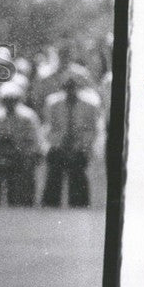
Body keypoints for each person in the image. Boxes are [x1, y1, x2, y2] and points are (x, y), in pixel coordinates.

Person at [41, 64, 101, 208]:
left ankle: (79, 207)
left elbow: (93, 129)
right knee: (53, 177)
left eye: (73, 85)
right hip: (58, 146)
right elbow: (49, 127)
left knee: (78, 179)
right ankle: (50, 206)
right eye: (67, 85)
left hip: (80, 147)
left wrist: (78, 145)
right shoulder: (53, 102)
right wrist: (61, 143)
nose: (70, 88)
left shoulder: (90, 104)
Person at [0, 81, 44, 206]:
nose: (9, 103)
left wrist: (20, 152)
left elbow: (35, 141)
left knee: (27, 167)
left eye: (13, 99)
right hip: (0, 157)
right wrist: (0, 155)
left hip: (22, 156)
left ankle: (24, 203)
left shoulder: (28, 117)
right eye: (6, 99)